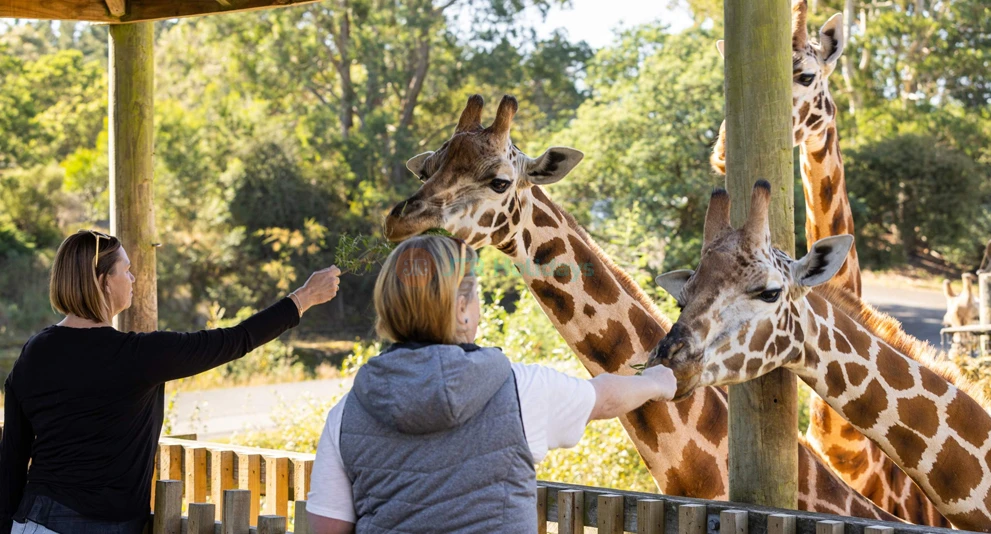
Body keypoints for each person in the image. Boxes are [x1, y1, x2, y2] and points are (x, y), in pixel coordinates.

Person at [305, 235, 677, 534]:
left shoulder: (346, 416)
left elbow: (327, 527)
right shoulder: (521, 389)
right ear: (462, 307)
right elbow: (606, 398)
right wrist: (658, 382)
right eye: (476, 295)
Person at [0, 230, 341, 534]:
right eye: (126, 269)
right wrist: (304, 297)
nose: (133, 278)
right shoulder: (137, 355)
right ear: (104, 281)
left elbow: (12, 458)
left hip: (32, 521)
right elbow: (235, 340)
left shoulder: (34, 353)